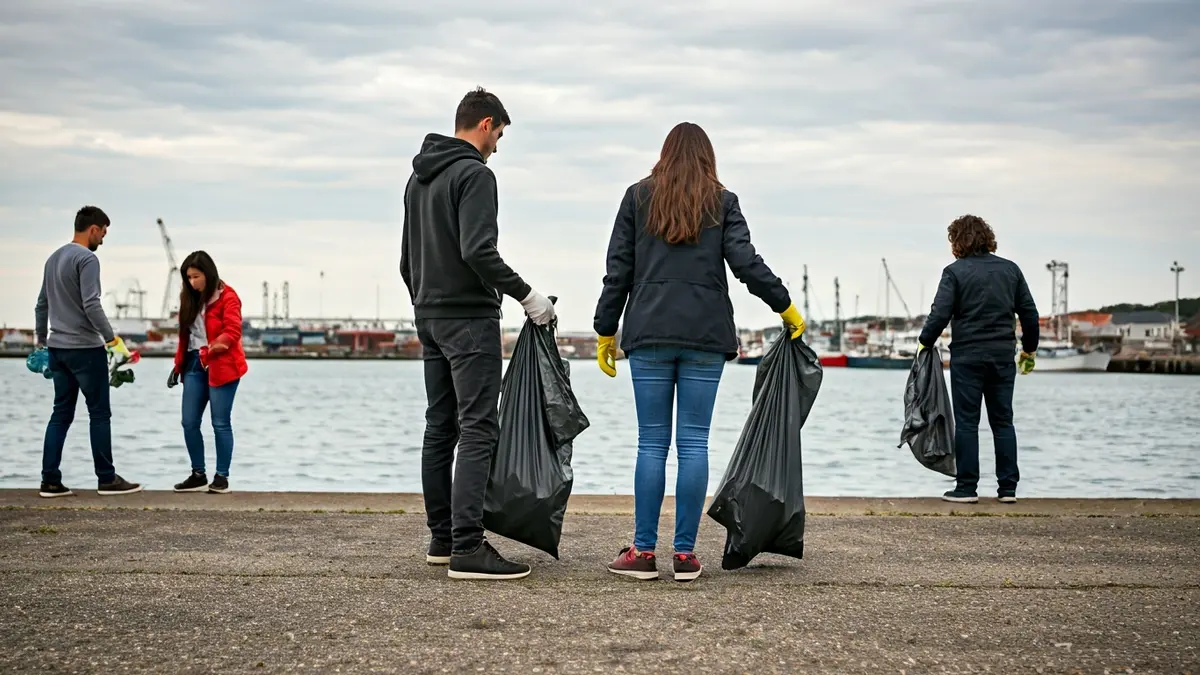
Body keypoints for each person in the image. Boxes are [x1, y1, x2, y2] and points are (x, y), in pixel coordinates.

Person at [593, 122, 806, 582]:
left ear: (664, 154)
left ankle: (643, 553)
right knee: (693, 443)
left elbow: (618, 269)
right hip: (706, 336)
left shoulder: (636, 197)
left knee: (651, 442)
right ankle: (685, 556)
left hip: (649, 331)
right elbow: (746, 263)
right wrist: (785, 306)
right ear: (708, 157)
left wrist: (605, 330)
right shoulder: (722, 201)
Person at [400, 87, 556, 581]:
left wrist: (426, 302)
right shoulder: (475, 174)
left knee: (439, 427)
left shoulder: (417, 179)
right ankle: (468, 547)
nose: (497, 147)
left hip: (429, 317)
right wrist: (528, 296)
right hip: (469, 319)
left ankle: (442, 539)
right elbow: (478, 251)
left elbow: (407, 261)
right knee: (478, 427)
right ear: (485, 124)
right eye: (500, 135)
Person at [918, 214, 1039, 505]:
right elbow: (1029, 314)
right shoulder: (1011, 270)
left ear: (958, 241)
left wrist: (924, 343)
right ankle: (1008, 489)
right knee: (1003, 421)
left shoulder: (954, 272)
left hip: (967, 357)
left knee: (968, 422)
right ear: (987, 237)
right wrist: (1029, 350)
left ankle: (967, 488)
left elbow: (940, 314)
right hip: (1002, 357)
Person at [34, 206, 142, 498]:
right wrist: (111, 340)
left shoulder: (53, 258)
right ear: (93, 228)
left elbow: (41, 304)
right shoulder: (87, 258)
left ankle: (50, 481)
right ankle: (107, 479)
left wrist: (42, 341)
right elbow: (91, 304)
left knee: (60, 414)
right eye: (104, 233)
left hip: (57, 349)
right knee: (99, 414)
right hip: (85, 349)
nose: (103, 240)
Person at [168, 251, 248, 495]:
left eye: (196, 276)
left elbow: (232, 331)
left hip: (223, 364)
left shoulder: (229, 297)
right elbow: (186, 336)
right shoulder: (189, 298)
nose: (192, 282)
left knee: (220, 423)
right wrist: (178, 365)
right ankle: (198, 474)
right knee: (189, 421)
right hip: (194, 363)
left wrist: (212, 349)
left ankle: (221, 477)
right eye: (188, 278)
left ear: (208, 273)